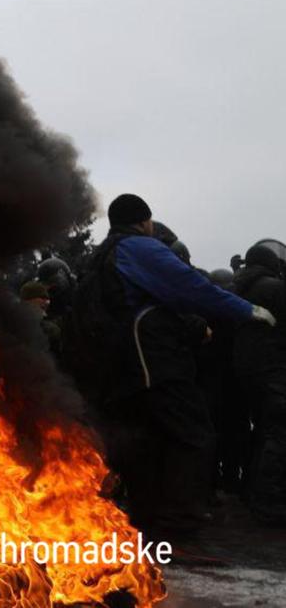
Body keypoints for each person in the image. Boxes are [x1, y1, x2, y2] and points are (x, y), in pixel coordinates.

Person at [94, 194, 274, 535]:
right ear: (144, 220)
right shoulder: (138, 248)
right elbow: (191, 287)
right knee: (193, 434)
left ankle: (147, 520)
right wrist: (247, 310)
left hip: (119, 364)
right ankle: (179, 527)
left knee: (147, 439)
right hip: (152, 361)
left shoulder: (104, 253)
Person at [230, 240, 286, 524]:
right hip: (274, 372)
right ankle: (269, 502)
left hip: (245, 373)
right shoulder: (275, 289)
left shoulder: (238, 287)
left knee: (261, 433)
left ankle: (252, 494)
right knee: (278, 435)